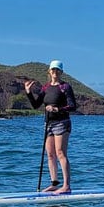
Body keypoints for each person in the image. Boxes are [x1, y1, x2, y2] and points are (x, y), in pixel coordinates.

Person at [24, 60, 77, 193]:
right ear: (49, 71)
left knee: (60, 153)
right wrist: (29, 93)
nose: (55, 72)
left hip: (62, 123)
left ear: (61, 72)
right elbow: (36, 105)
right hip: (48, 124)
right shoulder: (46, 87)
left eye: (57, 70)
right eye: (53, 70)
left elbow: (72, 106)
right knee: (50, 155)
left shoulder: (65, 87)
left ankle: (66, 186)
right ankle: (54, 183)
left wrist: (56, 109)